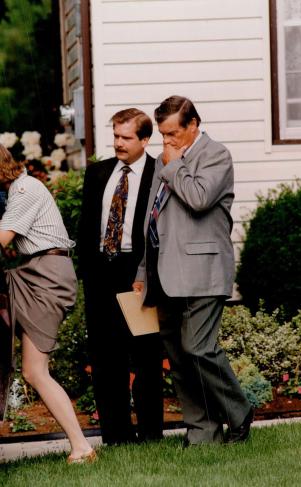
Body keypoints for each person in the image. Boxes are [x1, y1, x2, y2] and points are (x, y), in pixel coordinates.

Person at [133, 95, 253, 445]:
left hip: (203, 271)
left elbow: (199, 198)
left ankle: (239, 411)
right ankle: (203, 431)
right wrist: (143, 270)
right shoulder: (165, 160)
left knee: (198, 347)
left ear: (193, 125)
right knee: (179, 357)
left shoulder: (216, 155)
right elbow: (152, 218)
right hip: (163, 274)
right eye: (162, 134)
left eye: (173, 133)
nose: (166, 141)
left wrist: (172, 165)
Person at [0, 143, 95, 464]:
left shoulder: (25, 189)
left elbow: (1, 239)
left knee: (36, 371)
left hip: (46, 277)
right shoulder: (16, 189)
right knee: (32, 370)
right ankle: (81, 446)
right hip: (32, 273)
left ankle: (82, 447)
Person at [79, 108, 163, 445]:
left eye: (126, 137)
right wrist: (87, 270)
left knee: (145, 355)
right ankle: (116, 435)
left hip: (137, 272)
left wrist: (148, 274)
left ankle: (151, 434)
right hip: (101, 273)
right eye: (115, 135)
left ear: (144, 139)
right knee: (104, 357)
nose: (118, 143)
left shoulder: (161, 172)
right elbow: (86, 227)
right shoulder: (98, 173)